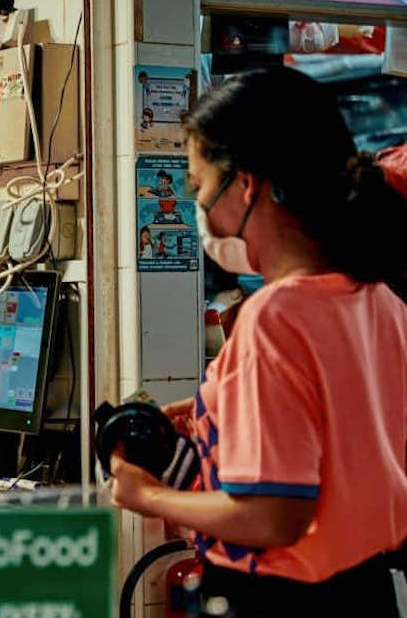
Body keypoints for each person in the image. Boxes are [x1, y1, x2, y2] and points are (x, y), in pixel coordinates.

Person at [109, 67, 407, 617]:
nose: (200, 211)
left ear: (246, 184)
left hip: (280, 600)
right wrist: (223, 416)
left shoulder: (275, 316)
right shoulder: (381, 301)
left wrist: (144, 495)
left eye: (198, 187)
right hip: (367, 592)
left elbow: (274, 516)